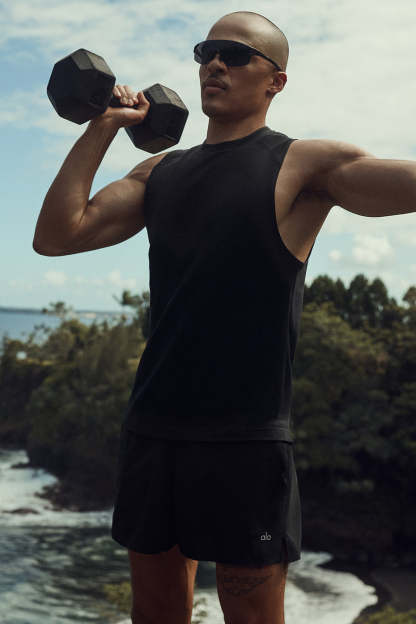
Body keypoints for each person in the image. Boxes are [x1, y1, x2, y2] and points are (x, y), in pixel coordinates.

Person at [33, 10, 416, 624]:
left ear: (276, 81)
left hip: (245, 439)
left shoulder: (306, 164)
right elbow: (57, 235)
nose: (215, 63)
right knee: (156, 613)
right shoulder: (160, 171)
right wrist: (104, 125)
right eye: (206, 52)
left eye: (236, 55)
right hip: (154, 427)